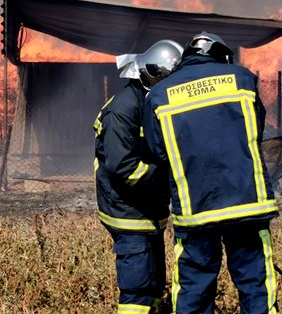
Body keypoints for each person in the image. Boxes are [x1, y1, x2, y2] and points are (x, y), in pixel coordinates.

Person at [143, 32, 279, 314]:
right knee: (255, 284)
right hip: (247, 203)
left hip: (195, 210)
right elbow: (258, 128)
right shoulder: (241, 79)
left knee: (193, 288)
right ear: (219, 53)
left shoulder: (158, 94)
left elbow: (156, 152)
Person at [94, 39, 184, 314]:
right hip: (129, 212)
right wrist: (167, 175)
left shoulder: (147, 101)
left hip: (147, 211)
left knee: (154, 284)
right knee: (138, 291)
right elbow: (123, 167)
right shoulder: (124, 108)